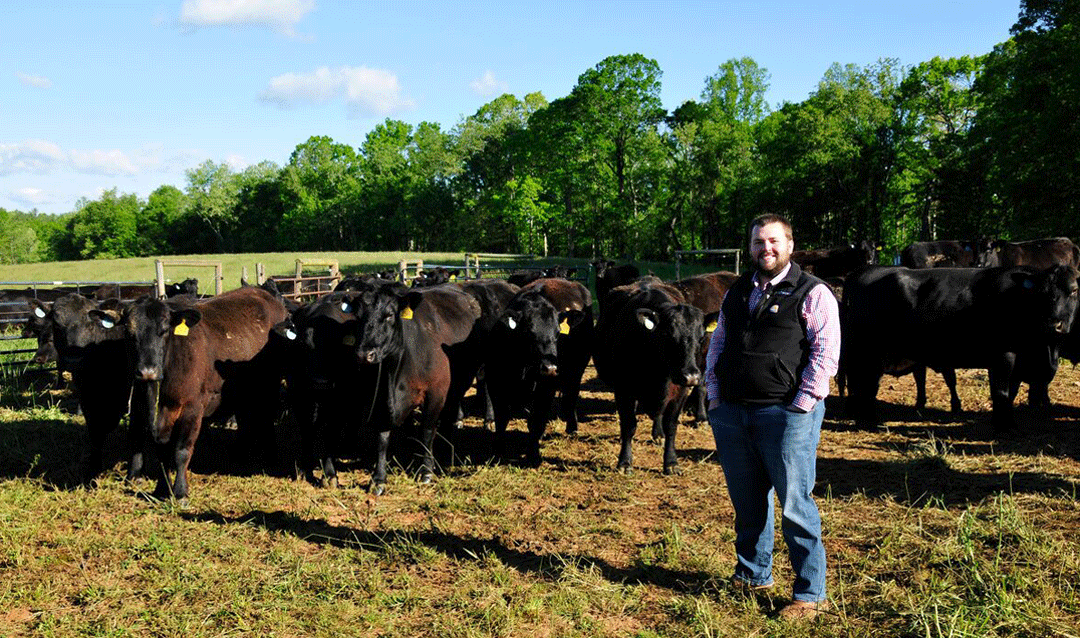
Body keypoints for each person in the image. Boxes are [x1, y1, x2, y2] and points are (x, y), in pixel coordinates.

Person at [704, 213, 840, 621]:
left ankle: (810, 593)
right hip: (732, 411)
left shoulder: (813, 293)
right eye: (759, 242)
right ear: (750, 247)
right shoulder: (738, 291)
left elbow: (825, 354)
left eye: (774, 241)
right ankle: (752, 574)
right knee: (747, 502)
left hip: (785, 414)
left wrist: (801, 404)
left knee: (795, 505)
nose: (767, 249)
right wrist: (714, 396)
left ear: (790, 245)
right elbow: (719, 343)